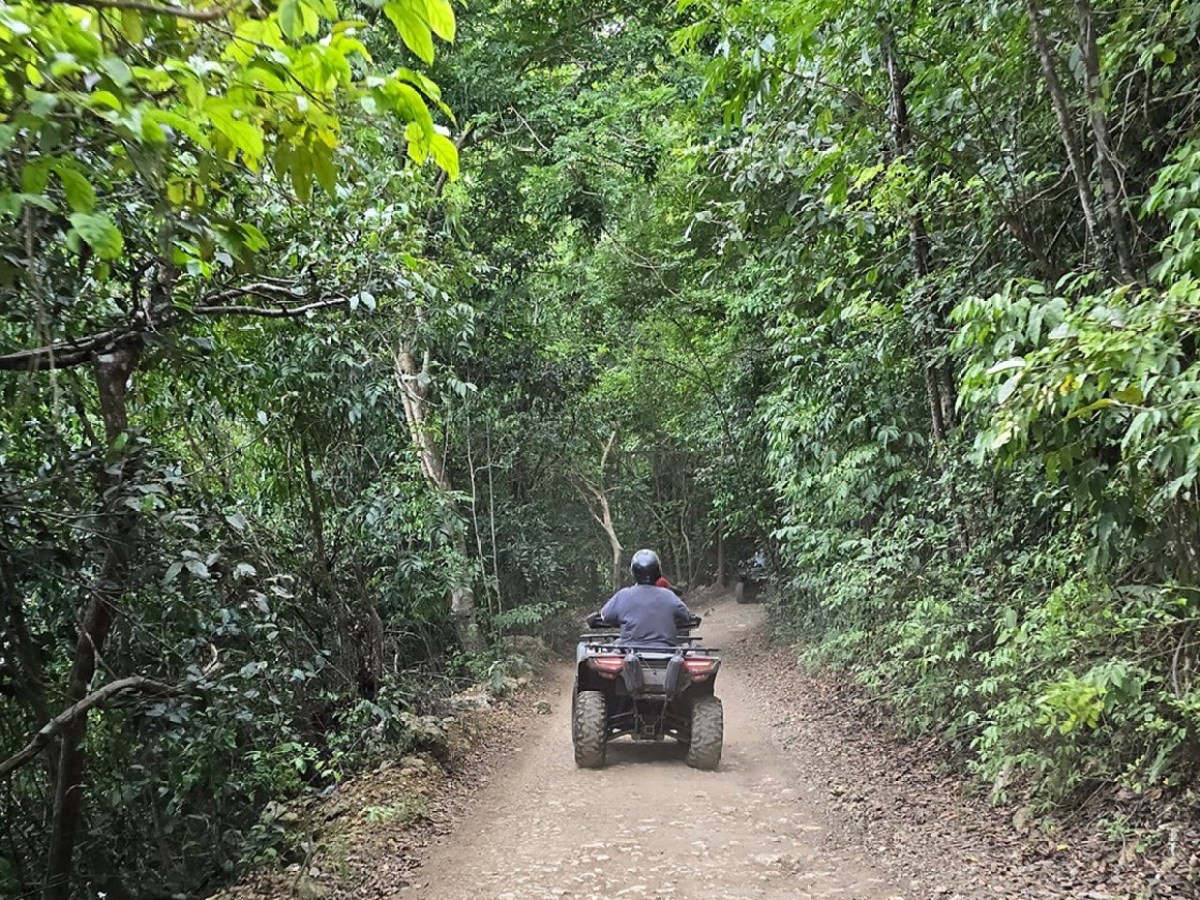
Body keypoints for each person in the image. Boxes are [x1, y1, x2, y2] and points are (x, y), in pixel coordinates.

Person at [599, 549, 693, 646]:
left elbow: (605, 616)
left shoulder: (624, 595)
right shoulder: (669, 595)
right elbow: (686, 616)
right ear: (658, 571)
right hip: (666, 652)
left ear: (633, 571)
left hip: (630, 651)